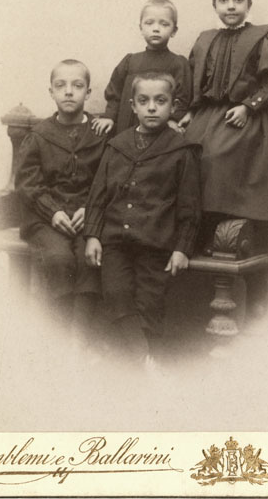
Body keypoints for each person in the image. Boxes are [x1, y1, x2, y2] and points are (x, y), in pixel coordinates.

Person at [179, 0, 268, 318]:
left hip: (247, 117)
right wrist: (189, 112)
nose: (231, 6)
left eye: (238, 0)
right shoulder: (205, 40)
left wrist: (249, 106)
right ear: (214, 4)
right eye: (224, 0)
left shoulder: (264, 38)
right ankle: (199, 232)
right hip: (209, 115)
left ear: (249, 3)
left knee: (219, 156)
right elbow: (195, 82)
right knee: (191, 153)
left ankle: (232, 234)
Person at [84, 71, 202, 365]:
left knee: (149, 303)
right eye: (144, 101)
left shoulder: (181, 151)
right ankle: (145, 362)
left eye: (160, 101)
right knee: (115, 294)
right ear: (133, 106)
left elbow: (190, 206)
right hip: (115, 243)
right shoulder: (117, 146)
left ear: (173, 106)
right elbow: (98, 195)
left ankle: (144, 364)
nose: (152, 108)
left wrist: (182, 248)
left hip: (155, 244)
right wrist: (93, 235)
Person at [15, 59, 108, 349]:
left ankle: (78, 343)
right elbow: (27, 183)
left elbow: (107, 180)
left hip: (86, 217)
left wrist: (89, 209)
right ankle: (58, 338)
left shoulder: (99, 134)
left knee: (89, 258)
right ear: (51, 92)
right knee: (59, 258)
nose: (69, 92)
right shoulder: (39, 135)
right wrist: (52, 211)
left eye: (77, 86)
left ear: (88, 92)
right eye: (61, 86)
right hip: (46, 218)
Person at [91, 0, 192, 136]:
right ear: (141, 28)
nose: (156, 29)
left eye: (164, 24)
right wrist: (109, 116)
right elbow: (115, 93)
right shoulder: (130, 61)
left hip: (161, 129)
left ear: (173, 30)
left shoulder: (178, 63)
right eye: (149, 23)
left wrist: (174, 119)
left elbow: (183, 97)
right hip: (127, 127)